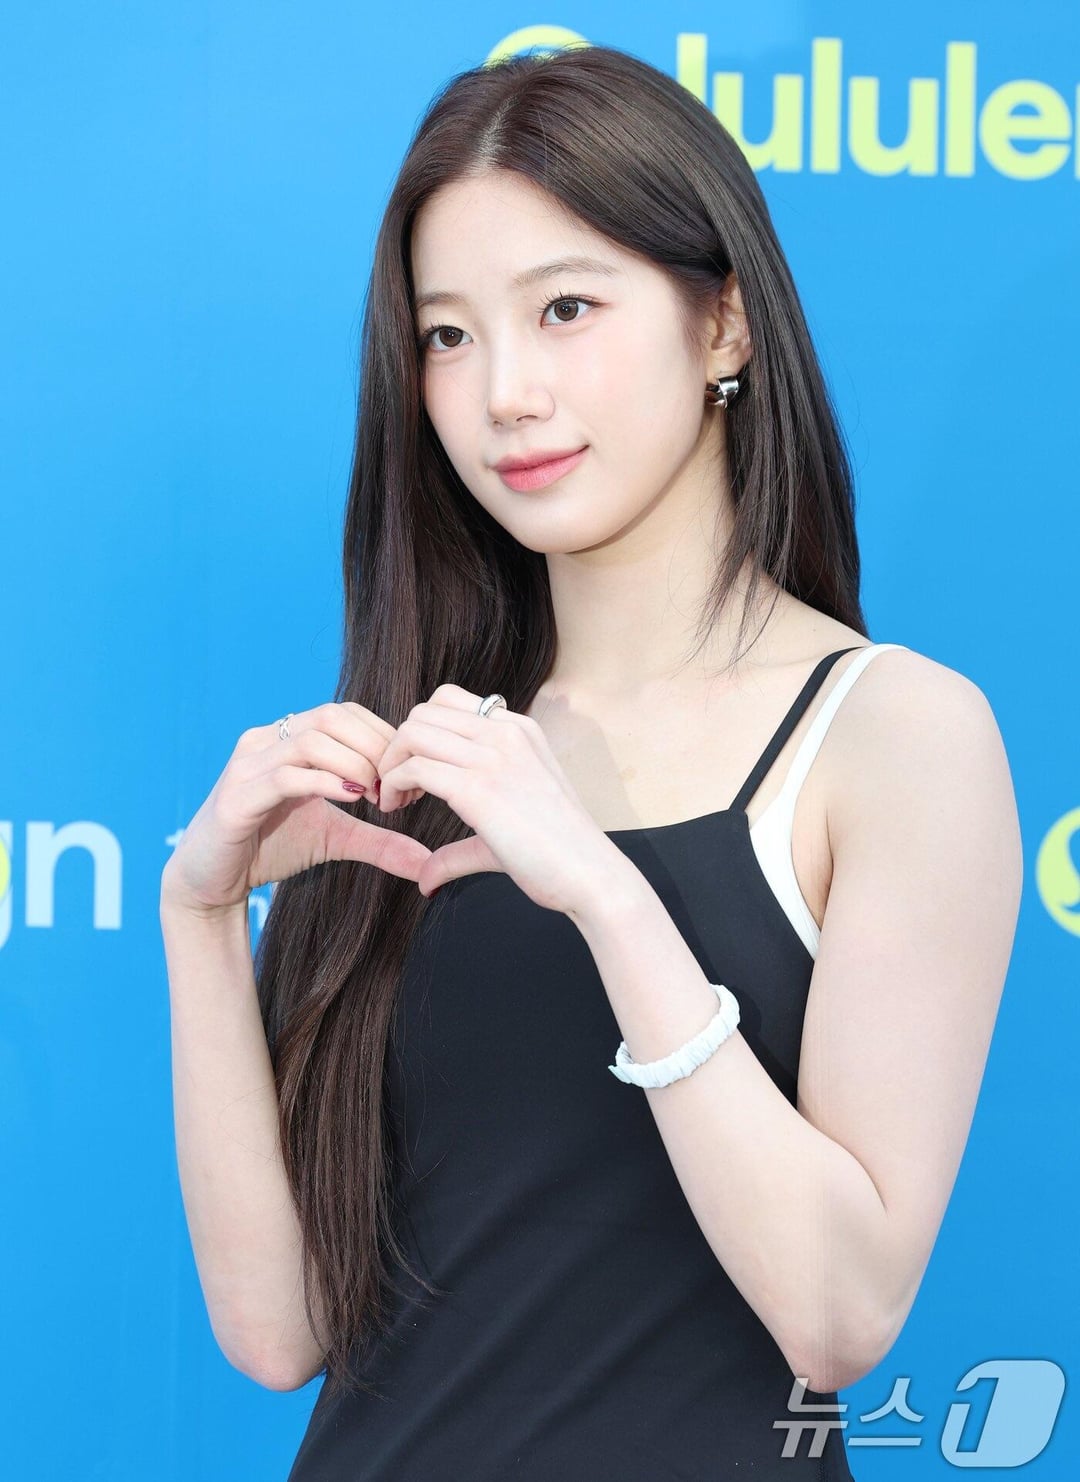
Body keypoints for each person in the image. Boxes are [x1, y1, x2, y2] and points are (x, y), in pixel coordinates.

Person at [159, 43, 1023, 1480]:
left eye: (565, 309)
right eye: (448, 336)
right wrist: (198, 916)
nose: (504, 392)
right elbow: (277, 1328)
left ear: (723, 323)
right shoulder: (421, 747)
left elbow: (838, 1314)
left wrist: (610, 896)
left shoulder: (894, 733)